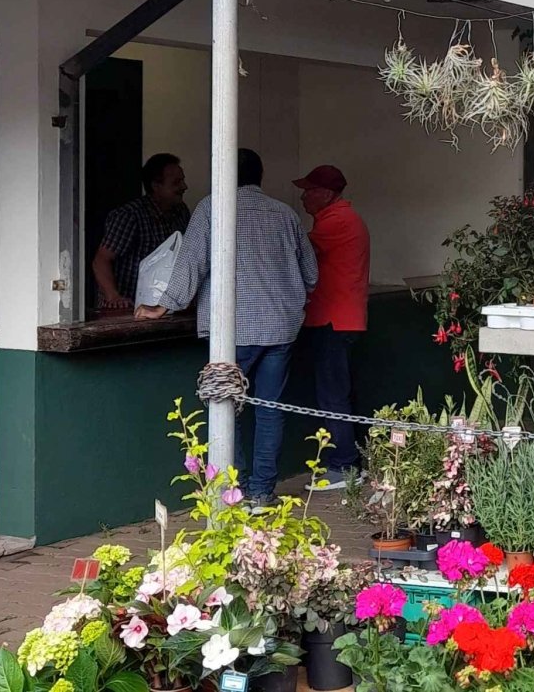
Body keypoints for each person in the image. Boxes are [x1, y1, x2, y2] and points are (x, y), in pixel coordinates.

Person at [137, 149, 317, 507]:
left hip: (234, 329)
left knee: (223, 404)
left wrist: (162, 306)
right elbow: (311, 275)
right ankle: (262, 492)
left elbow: (190, 264)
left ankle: (231, 493)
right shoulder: (284, 213)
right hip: (280, 328)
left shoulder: (211, 208)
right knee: (270, 409)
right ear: (259, 175)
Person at [295, 164, 371, 483]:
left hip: (333, 320)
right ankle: (349, 460)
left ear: (326, 194)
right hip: (342, 319)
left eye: (308, 191)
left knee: (332, 395)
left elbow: (298, 251)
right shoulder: (341, 218)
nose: (303, 197)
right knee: (338, 392)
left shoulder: (335, 221)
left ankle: (343, 466)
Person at [91, 153, 189, 309]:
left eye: (183, 180)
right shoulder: (130, 216)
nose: (184, 186)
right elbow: (101, 260)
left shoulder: (181, 212)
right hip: (124, 308)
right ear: (156, 186)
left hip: (161, 307)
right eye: (177, 182)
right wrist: (114, 296)